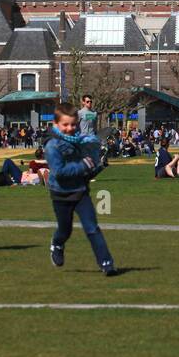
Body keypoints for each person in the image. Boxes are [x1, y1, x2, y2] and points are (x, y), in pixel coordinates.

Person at [45, 102, 116, 275]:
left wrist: (98, 165)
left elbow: (87, 171)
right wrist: (84, 165)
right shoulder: (52, 146)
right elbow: (59, 172)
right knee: (65, 230)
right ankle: (57, 243)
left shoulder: (82, 141)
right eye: (65, 124)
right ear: (56, 124)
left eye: (73, 124)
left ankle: (106, 263)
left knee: (92, 228)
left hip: (80, 191)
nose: (70, 128)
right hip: (60, 194)